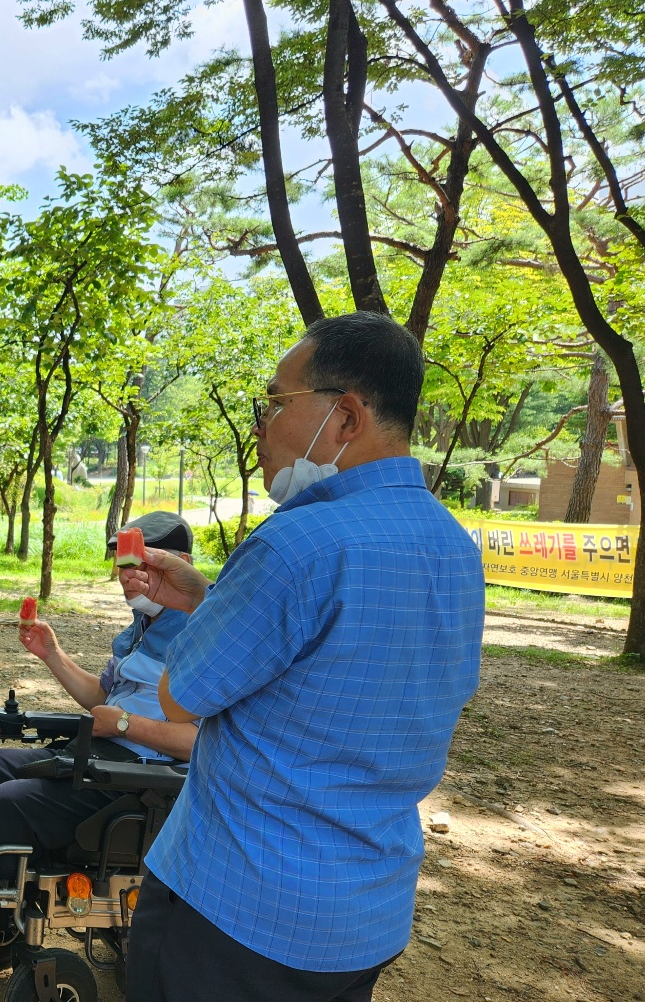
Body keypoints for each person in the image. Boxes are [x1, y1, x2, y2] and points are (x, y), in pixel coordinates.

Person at [120, 312, 484, 1002]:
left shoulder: (297, 542)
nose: (261, 425)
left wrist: (206, 608)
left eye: (276, 402)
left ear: (345, 417)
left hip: (239, 908)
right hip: (366, 912)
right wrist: (212, 595)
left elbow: (181, 695)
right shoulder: (454, 547)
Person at [0, 512, 198, 973]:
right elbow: (103, 699)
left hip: (143, 776)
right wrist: (52, 654)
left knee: (12, 801)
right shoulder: (137, 629)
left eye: (139, 565)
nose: (126, 578)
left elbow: (200, 740)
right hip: (104, 753)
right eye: (122, 566)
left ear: (179, 565)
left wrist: (127, 726)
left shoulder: (200, 637)